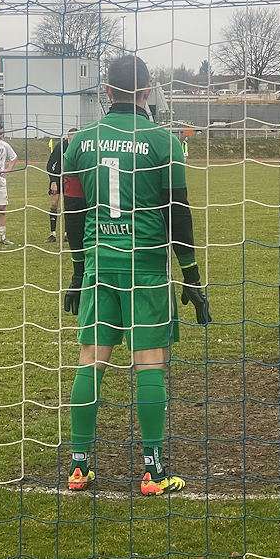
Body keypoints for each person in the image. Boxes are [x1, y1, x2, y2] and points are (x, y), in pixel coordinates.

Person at [60, 54, 210, 496]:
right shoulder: (163, 141)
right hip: (144, 267)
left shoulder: (80, 142)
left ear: (106, 92)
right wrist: (191, 275)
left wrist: (78, 270)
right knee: (149, 363)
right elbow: (178, 213)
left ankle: (79, 466)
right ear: (147, 91)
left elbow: (74, 212)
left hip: (99, 264)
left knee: (91, 359)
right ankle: (153, 471)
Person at [46, 127, 77, 243]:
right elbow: (50, 165)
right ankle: (52, 233)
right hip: (58, 178)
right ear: (68, 137)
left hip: (71, 179)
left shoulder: (78, 146)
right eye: (72, 136)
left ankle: (67, 234)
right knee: (54, 204)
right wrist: (53, 181)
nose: (73, 138)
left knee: (68, 206)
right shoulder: (60, 146)